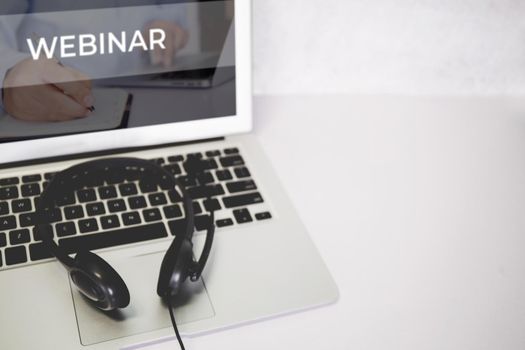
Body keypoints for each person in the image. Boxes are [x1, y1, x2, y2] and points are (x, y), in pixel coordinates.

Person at [0, 0, 189, 121]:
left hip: (142, 99)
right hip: (52, 111)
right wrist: (9, 74)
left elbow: (171, 7)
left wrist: (163, 20)